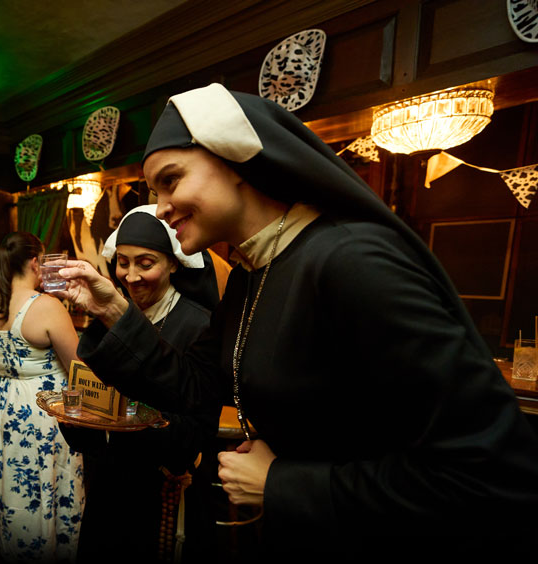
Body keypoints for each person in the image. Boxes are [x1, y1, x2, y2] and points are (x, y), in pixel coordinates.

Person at [54, 83, 538, 558]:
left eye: (171, 180)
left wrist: (282, 482)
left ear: (234, 160)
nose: (160, 208)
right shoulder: (252, 272)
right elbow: (195, 387)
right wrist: (114, 312)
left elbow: (490, 472)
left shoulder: (350, 260)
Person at [61, 204, 225, 562]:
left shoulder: (199, 326)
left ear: (173, 263)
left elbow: (199, 429)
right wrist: (75, 417)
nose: (131, 276)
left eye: (145, 263)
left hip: (159, 495)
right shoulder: (108, 317)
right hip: (107, 489)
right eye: (123, 262)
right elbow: (92, 409)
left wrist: (129, 419)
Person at [0, 232, 85, 562]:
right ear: (35, 262)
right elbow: (78, 371)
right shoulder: (46, 306)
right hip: (40, 407)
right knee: (46, 477)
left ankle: (12, 542)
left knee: (9, 476)